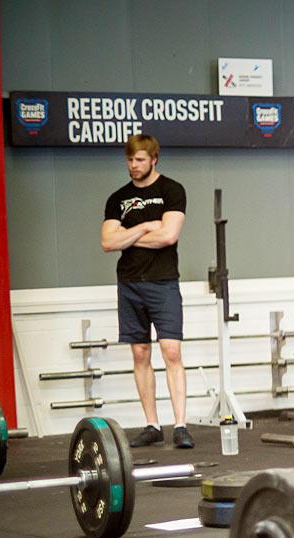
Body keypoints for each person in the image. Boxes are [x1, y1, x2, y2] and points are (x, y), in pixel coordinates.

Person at [100, 134, 192, 448]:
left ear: (154, 159)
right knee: (140, 353)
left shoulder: (171, 190)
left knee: (172, 351)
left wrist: (126, 235)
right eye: (129, 160)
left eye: (139, 160)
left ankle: (180, 425)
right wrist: (142, 227)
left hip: (163, 281)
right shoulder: (117, 198)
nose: (133, 165)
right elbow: (107, 243)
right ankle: (152, 424)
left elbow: (168, 236)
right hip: (129, 284)